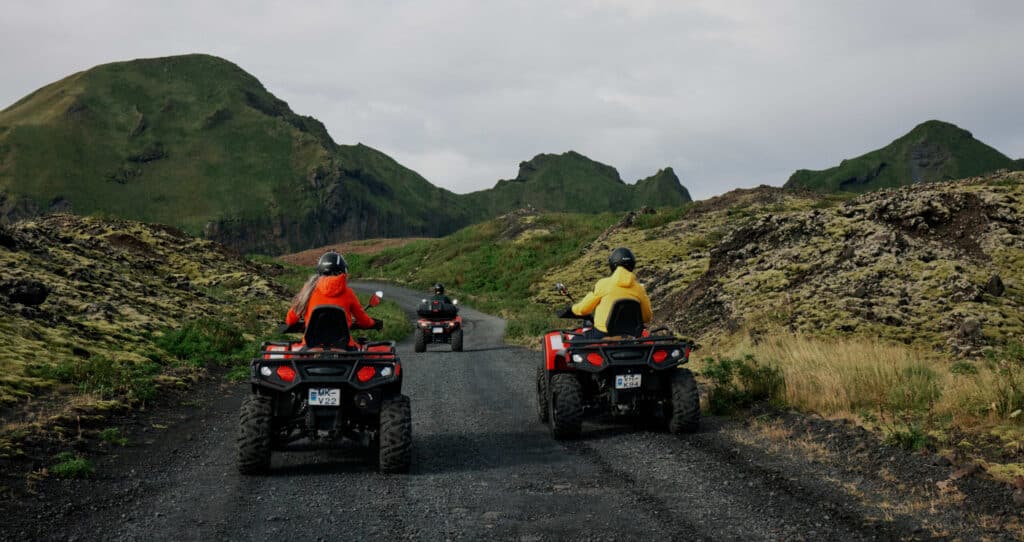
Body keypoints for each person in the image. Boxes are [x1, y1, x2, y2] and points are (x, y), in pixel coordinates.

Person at [285, 251, 382, 347]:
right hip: (343, 347)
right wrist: (373, 323)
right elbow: (363, 321)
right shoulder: (348, 293)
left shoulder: (308, 291)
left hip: (311, 347)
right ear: (343, 271)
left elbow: (290, 320)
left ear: (319, 271)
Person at [569, 247, 652, 339]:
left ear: (612, 265)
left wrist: (572, 309)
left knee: (574, 341)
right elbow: (646, 317)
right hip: (630, 336)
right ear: (632, 265)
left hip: (602, 334)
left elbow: (583, 309)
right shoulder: (639, 289)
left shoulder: (603, 284)